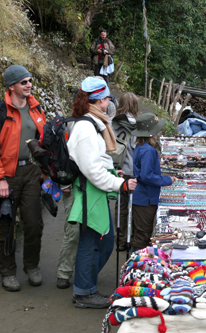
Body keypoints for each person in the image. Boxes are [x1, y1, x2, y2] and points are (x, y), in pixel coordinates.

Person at [67, 77, 136, 308]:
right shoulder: (86, 127)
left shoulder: (94, 122)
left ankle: (86, 285)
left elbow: (99, 161)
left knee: (102, 241)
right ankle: (84, 291)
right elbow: (93, 170)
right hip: (89, 193)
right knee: (93, 241)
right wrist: (119, 184)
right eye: (106, 98)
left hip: (94, 192)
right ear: (97, 100)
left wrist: (113, 172)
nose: (108, 102)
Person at [0, 65, 46, 292]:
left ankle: (32, 266)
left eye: (29, 80)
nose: (29, 84)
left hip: (31, 172)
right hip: (6, 175)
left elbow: (44, 140)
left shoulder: (36, 109)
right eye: (23, 82)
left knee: (34, 223)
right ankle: (8, 272)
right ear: (12, 86)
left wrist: (45, 170)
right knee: (6, 225)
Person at [131, 113, 175, 252]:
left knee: (140, 231)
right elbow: (147, 176)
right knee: (143, 234)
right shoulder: (149, 151)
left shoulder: (140, 146)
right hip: (146, 198)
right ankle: (136, 264)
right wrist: (168, 179)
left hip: (142, 197)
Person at [110, 92, 138, 251]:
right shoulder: (138, 124)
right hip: (133, 172)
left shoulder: (112, 123)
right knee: (134, 207)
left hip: (118, 171)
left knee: (120, 207)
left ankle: (120, 240)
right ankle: (131, 239)